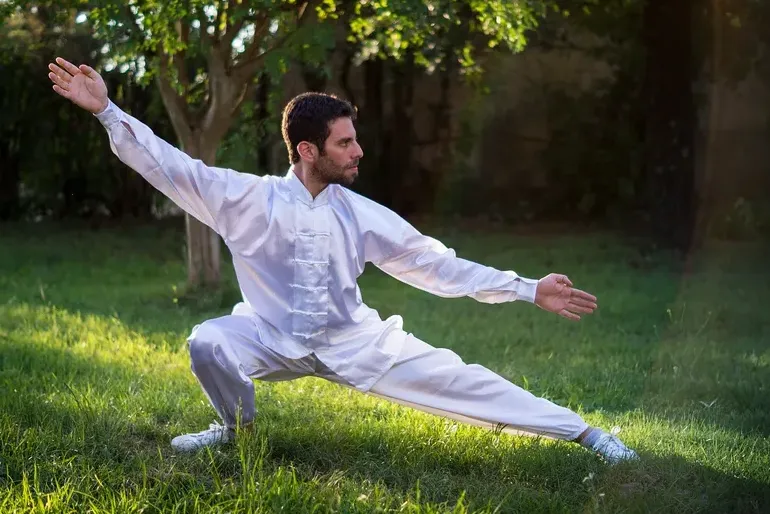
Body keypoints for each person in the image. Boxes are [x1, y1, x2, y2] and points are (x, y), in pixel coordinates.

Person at [48, 57, 639, 465]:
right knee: (207, 340)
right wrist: (106, 112)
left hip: (357, 345)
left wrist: (526, 288)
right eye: (345, 143)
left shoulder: (363, 215)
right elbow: (167, 165)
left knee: (468, 383)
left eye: (355, 140)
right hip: (270, 337)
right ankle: (234, 432)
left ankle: (587, 434)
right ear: (308, 151)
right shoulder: (244, 199)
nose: (359, 151)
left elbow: (437, 266)